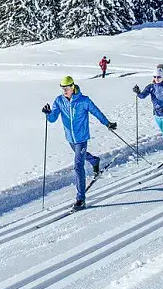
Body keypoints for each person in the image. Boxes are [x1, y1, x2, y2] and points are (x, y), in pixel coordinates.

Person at [43, 75, 117, 211]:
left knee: (78, 166)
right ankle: (94, 161)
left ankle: (80, 198)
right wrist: (47, 113)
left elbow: (97, 112)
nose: (64, 91)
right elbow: (53, 118)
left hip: (81, 138)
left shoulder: (84, 101)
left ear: (72, 87)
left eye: (66, 88)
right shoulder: (59, 101)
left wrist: (108, 123)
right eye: (62, 88)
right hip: (70, 138)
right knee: (81, 157)